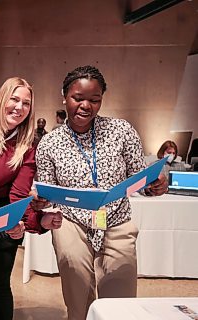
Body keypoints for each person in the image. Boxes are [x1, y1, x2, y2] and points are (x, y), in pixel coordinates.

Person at [36, 65, 168, 320]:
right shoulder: (49, 143)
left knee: (120, 299)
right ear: (64, 96)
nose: (86, 106)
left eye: (94, 100)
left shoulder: (121, 130)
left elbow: (139, 177)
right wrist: (40, 202)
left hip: (116, 219)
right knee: (77, 292)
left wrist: (154, 186)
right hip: (71, 222)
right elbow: (47, 194)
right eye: (78, 98)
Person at [0, 77, 62, 320]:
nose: (19, 107)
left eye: (26, 103)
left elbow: (18, 194)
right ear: (1, 99)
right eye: (15, 99)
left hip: (0, 214)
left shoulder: (27, 146)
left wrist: (34, 222)